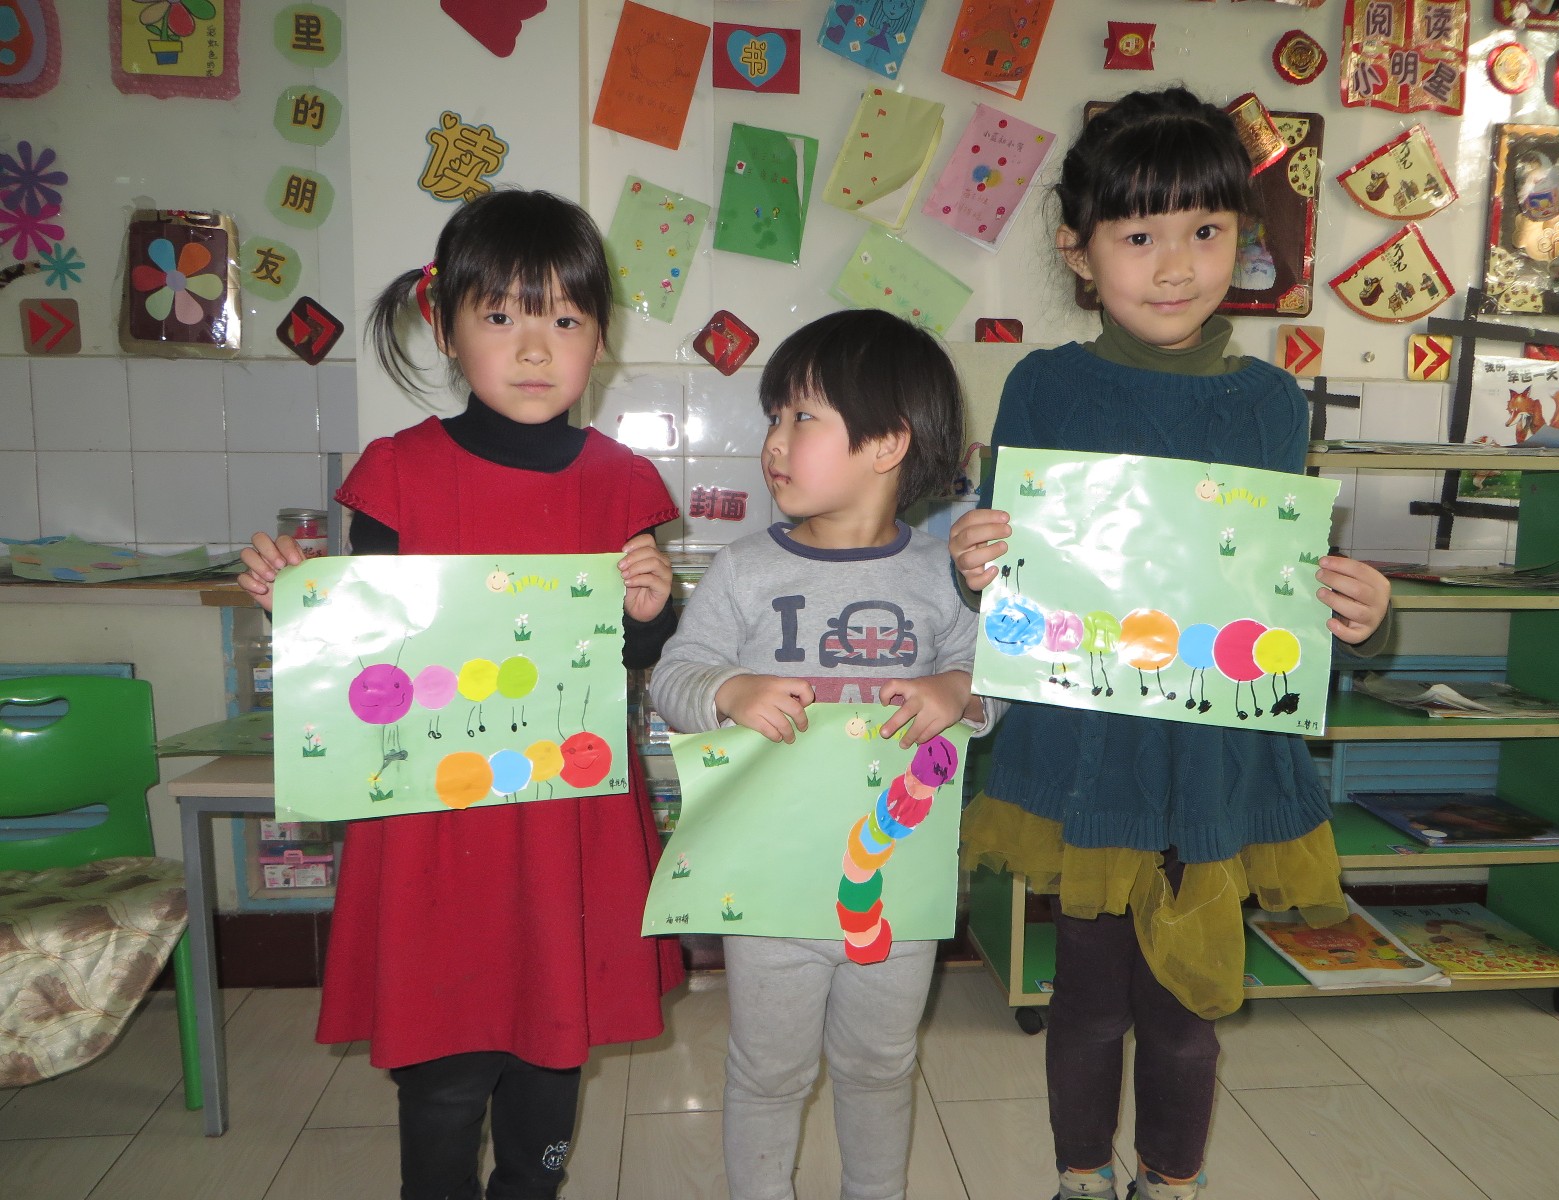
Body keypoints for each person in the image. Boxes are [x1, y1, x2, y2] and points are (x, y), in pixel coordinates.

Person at [947, 88, 1394, 1200]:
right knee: (1088, 1002)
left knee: (1189, 1007)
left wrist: (1358, 615)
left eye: (1206, 229)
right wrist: (977, 562)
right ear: (1079, 250)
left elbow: (1279, 592)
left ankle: (1171, 1181)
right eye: (1139, 236)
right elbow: (1011, 590)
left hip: (1214, 760)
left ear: (1243, 239)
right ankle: (1079, 1178)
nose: (1178, 264)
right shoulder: (1045, 387)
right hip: (1088, 756)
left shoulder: (1270, 403)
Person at [236, 188, 684, 1200]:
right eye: (500, 315)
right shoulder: (398, 473)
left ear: (599, 340)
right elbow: (367, 664)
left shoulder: (621, 483)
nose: (533, 347)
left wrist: (653, 609)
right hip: (433, 825)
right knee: (442, 1071)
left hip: (567, 817)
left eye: (564, 319)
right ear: (445, 329)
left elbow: (632, 648)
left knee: (551, 1055)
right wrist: (299, 607)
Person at [648, 310, 1000, 1200]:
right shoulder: (743, 570)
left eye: (802, 417)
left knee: (881, 1065)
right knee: (768, 1071)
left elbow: (995, 683)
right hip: (769, 883)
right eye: (775, 416)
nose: (774, 440)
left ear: (887, 443)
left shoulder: (941, 576)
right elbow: (674, 679)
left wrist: (955, 692)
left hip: (898, 881)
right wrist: (730, 690)